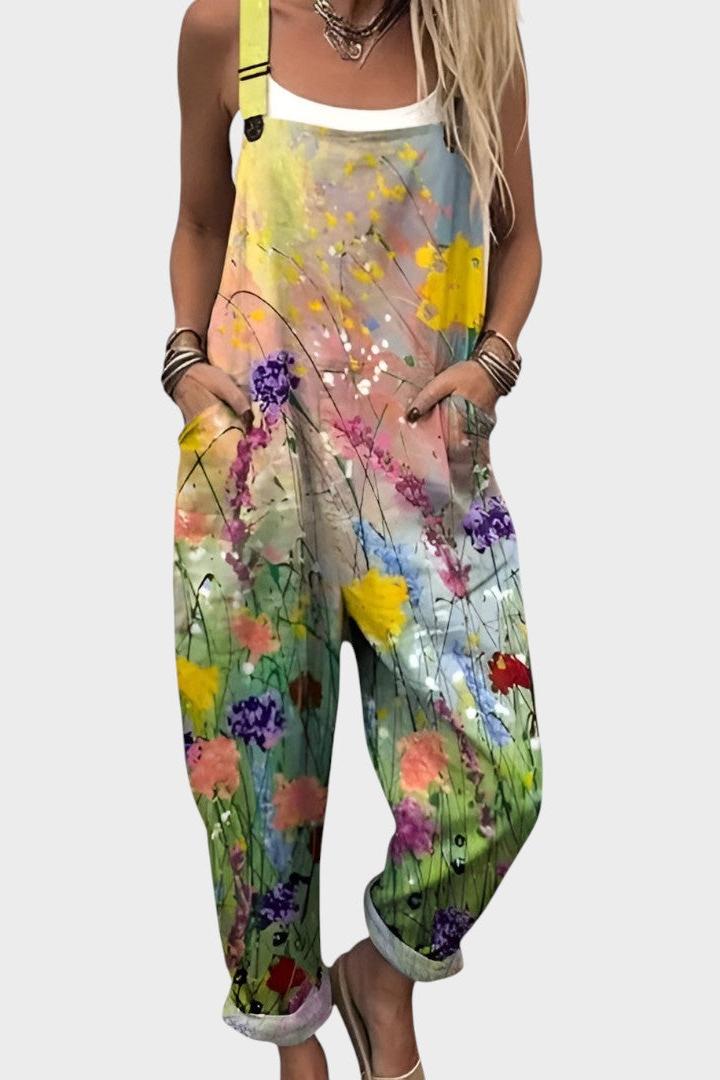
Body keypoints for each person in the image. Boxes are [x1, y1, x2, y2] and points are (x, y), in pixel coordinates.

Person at [166, 2, 543, 1077]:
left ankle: (382, 976)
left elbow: (520, 236)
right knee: (258, 796)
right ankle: (296, 1048)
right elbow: (200, 222)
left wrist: (493, 366)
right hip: (258, 476)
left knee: (499, 779)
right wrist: (184, 364)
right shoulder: (226, 29)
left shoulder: (473, 33)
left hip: (423, 473)